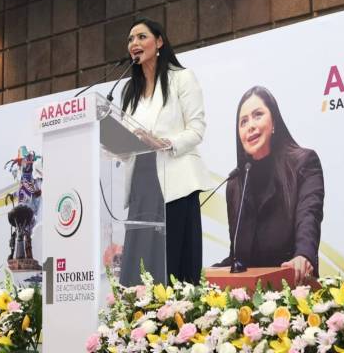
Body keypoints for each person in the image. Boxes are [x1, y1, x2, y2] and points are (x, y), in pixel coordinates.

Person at [118, 18, 214, 286]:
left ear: (159, 42)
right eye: (130, 39)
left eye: (141, 37)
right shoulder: (129, 91)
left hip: (175, 183)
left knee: (172, 262)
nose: (134, 43)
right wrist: (117, 144)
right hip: (141, 184)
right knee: (141, 264)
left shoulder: (181, 78)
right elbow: (127, 139)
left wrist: (164, 142)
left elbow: (197, 129)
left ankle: (174, 308)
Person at [214, 86, 325, 284]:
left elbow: (309, 217)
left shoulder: (304, 163)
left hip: (292, 287)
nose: (250, 126)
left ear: (274, 122)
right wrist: (202, 275)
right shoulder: (235, 184)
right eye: (243, 121)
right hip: (249, 295)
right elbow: (237, 258)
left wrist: (303, 256)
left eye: (258, 115)